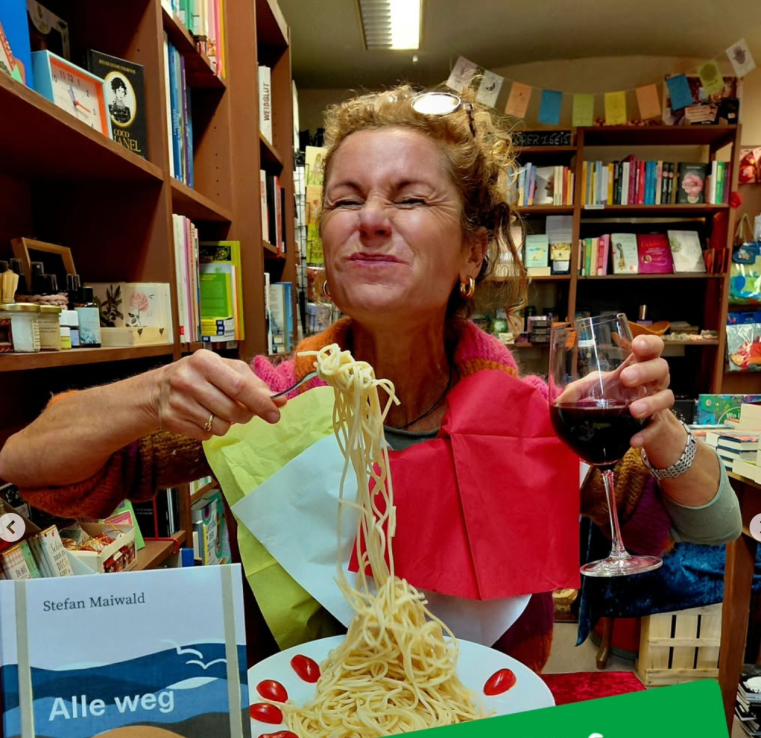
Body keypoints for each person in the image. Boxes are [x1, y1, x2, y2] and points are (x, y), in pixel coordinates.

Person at [0, 86, 741, 671]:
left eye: (410, 198)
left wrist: (654, 423)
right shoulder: (264, 403)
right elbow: (36, 469)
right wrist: (152, 392)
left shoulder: (539, 415)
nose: (372, 220)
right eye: (346, 199)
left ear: (473, 251)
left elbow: (712, 526)